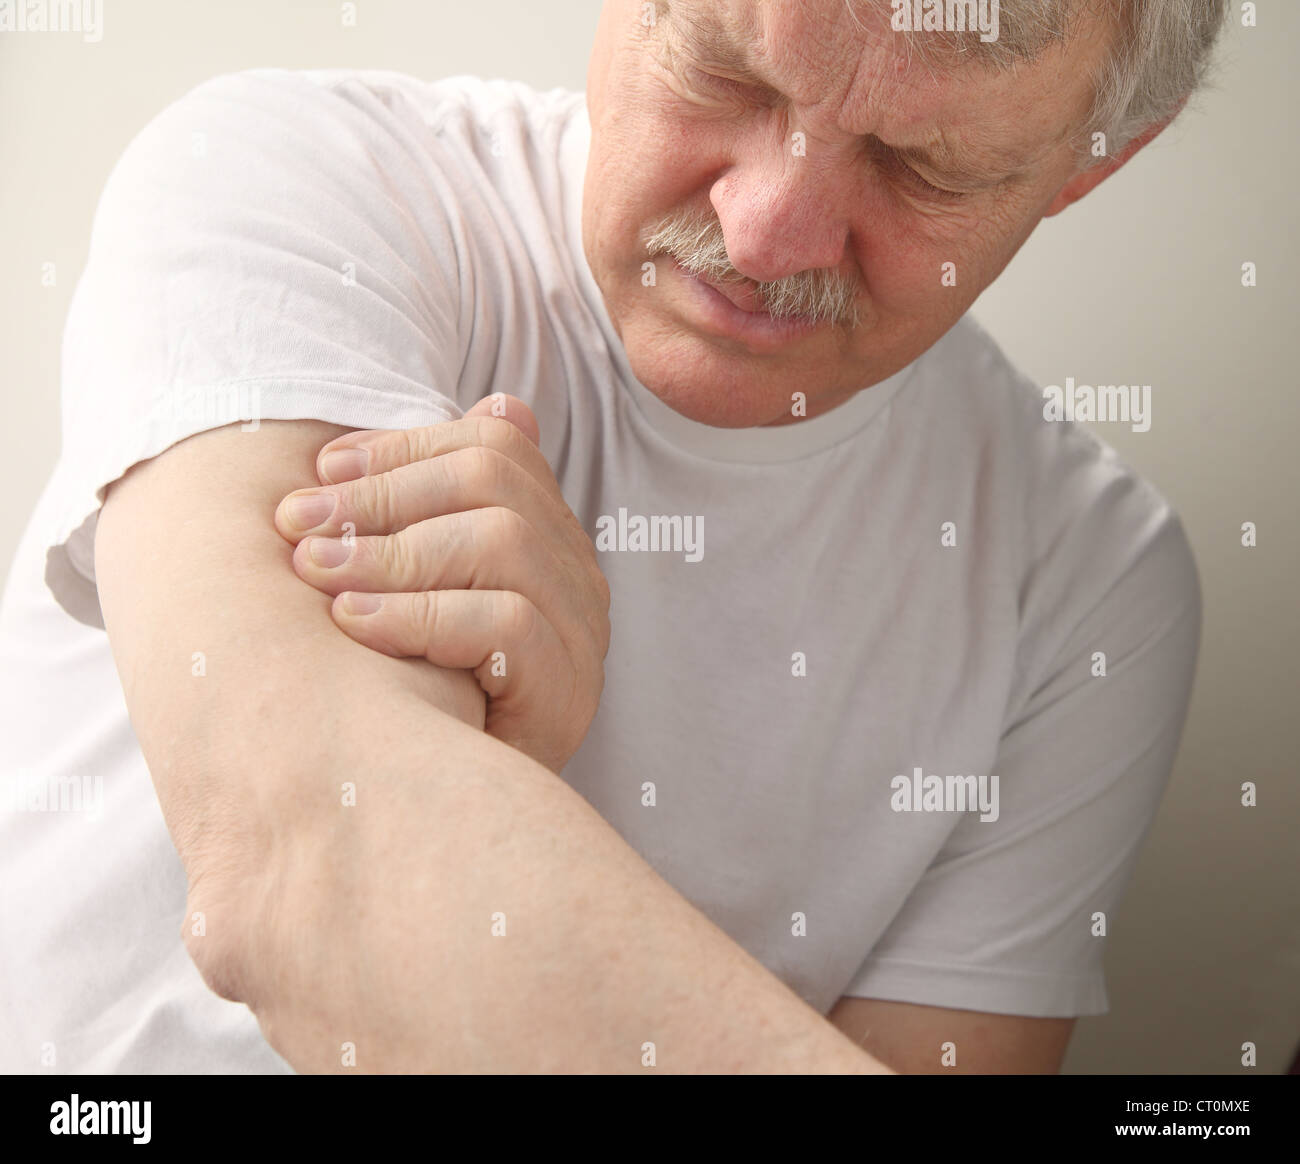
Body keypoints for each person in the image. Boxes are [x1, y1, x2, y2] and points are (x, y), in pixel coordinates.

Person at [0, 0, 1227, 1073]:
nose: (766, 235)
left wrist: (474, 787)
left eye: (921, 168)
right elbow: (305, 884)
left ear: (1090, 164)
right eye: (724, 77)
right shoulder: (293, 184)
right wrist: (430, 796)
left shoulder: (1092, 583)